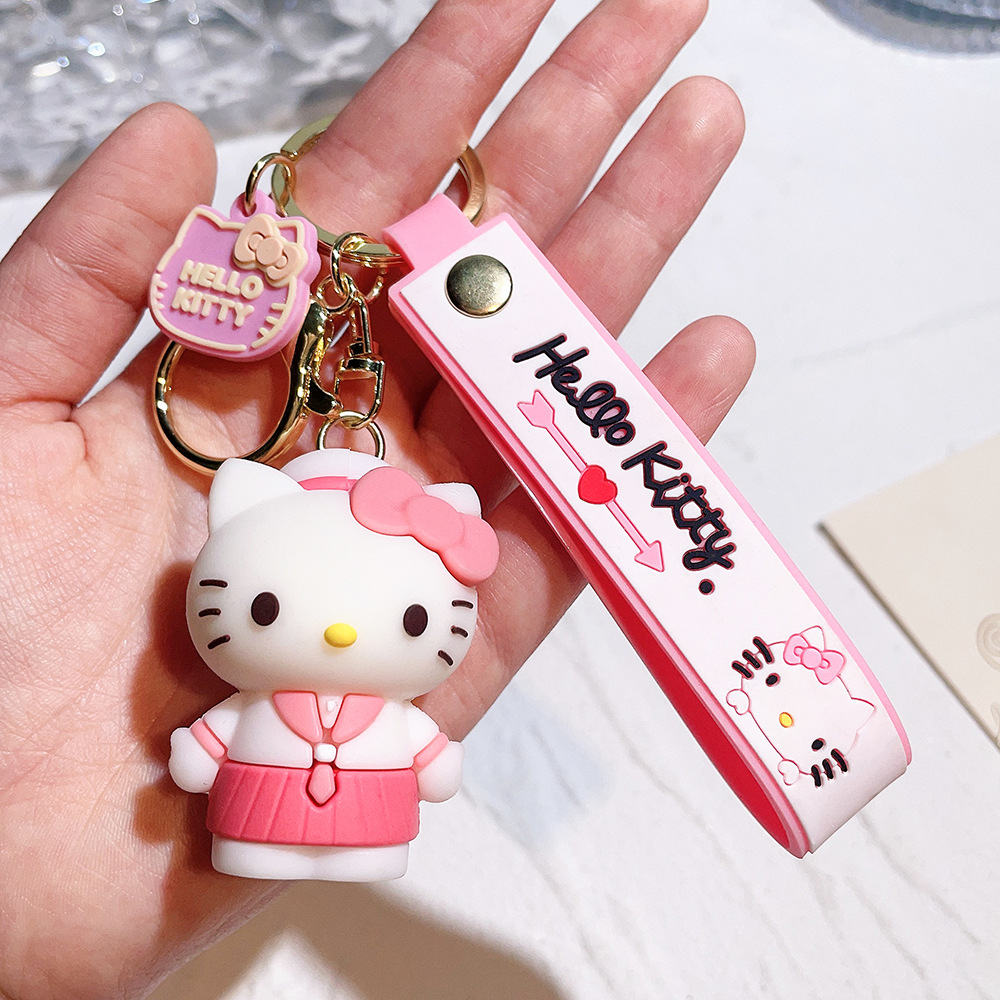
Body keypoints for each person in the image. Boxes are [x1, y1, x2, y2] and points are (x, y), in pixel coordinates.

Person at [0, 0, 754, 997]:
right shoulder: (263, 599)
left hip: (364, 820)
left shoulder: (331, 675)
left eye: (406, 621)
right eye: (268, 605)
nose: (344, 637)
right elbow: (253, 745)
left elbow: (408, 749)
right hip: (252, 815)